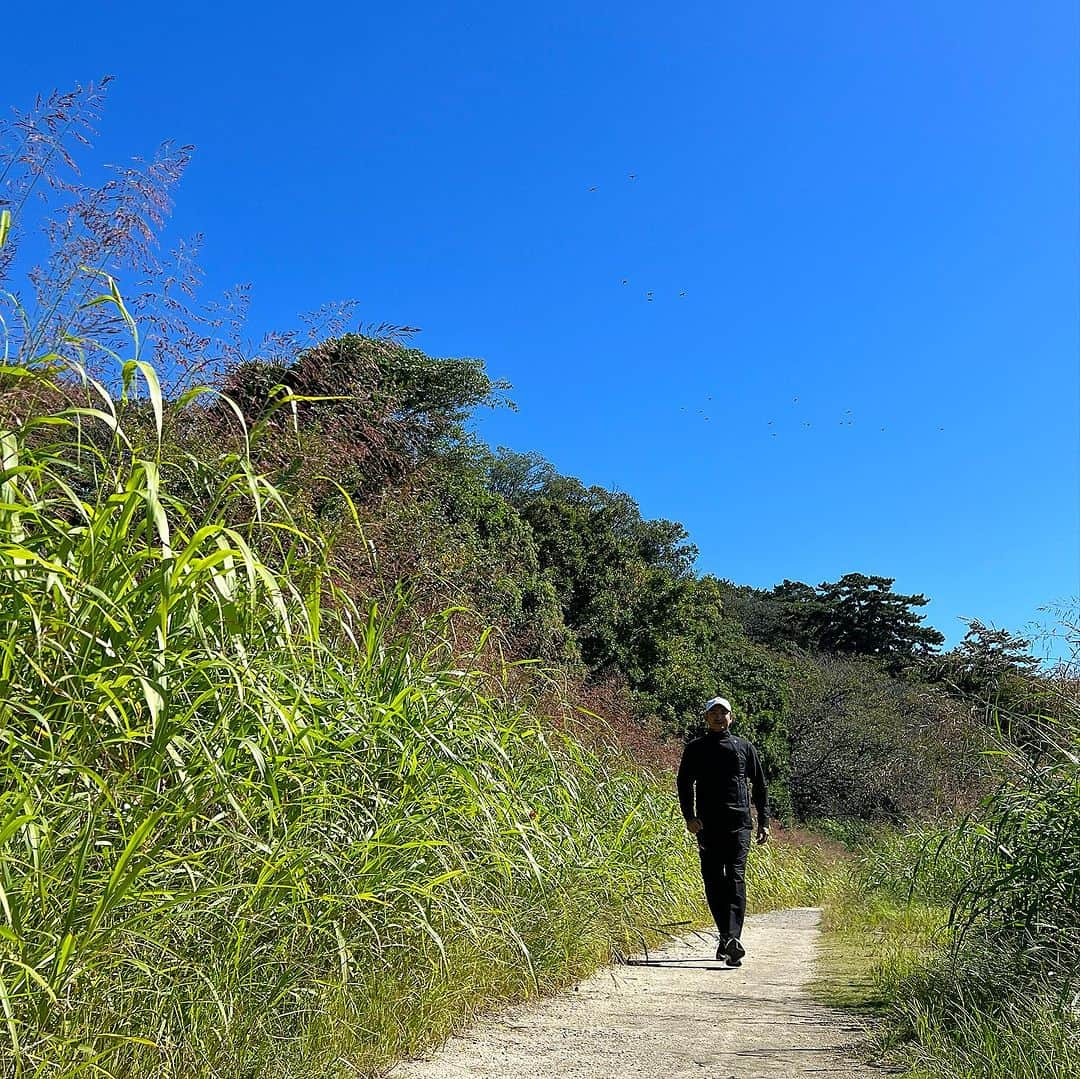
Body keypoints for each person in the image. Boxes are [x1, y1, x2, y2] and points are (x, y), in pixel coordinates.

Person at [677, 695, 770, 965]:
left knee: (736, 878)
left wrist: (764, 821)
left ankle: (732, 939)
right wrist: (689, 817)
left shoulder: (744, 747)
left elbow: (760, 786)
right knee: (714, 880)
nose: (719, 717)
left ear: (731, 717)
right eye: (713, 713)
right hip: (708, 824)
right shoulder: (695, 748)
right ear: (706, 718)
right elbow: (684, 784)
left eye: (724, 713)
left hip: (739, 823)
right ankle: (726, 937)